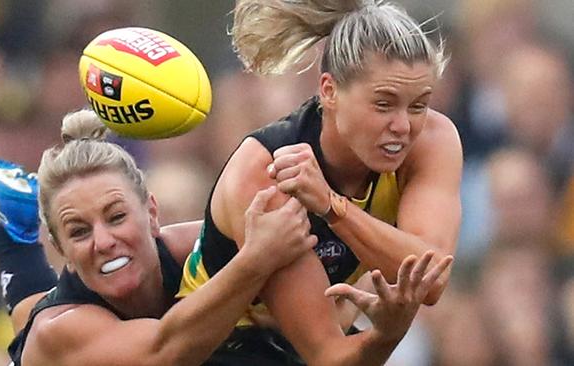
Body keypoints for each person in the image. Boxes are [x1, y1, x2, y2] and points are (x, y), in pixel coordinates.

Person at [0, 109, 450, 366]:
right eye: (78, 231)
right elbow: (166, 352)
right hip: (95, 351)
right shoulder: (59, 334)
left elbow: (315, 287)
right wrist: (256, 260)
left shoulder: (189, 243)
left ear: (152, 213)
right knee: (37, 323)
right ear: (59, 250)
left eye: (116, 216)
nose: (104, 240)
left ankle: (17, 221)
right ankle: (16, 236)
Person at [178, 0, 461, 364]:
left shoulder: (432, 140)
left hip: (315, 340)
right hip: (226, 341)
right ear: (329, 91)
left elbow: (432, 277)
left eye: (418, 105)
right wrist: (387, 334)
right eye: (383, 104)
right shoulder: (268, 171)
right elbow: (326, 356)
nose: (403, 126)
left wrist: (332, 207)